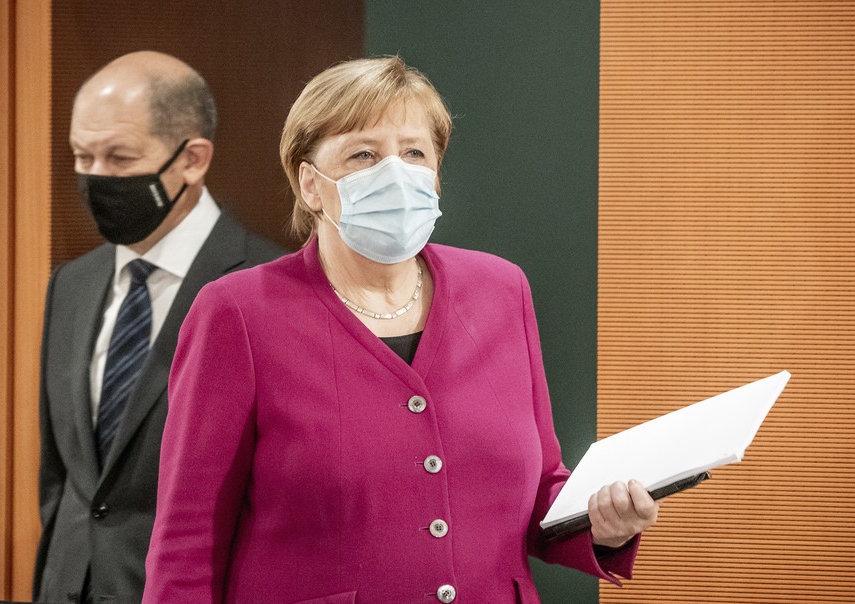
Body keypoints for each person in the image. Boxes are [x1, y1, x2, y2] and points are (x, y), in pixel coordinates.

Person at [143, 56, 657, 603]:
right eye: (363, 154)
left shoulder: (502, 291)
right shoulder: (238, 313)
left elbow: (537, 490)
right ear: (310, 185)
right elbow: (187, 538)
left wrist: (604, 522)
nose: (394, 171)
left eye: (414, 153)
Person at [33, 51, 283, 603]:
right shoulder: (70, 284)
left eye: (119, 158)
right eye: (82, 156)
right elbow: (65, 481)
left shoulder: (271, 288)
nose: (95, 178)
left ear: (192, 159)